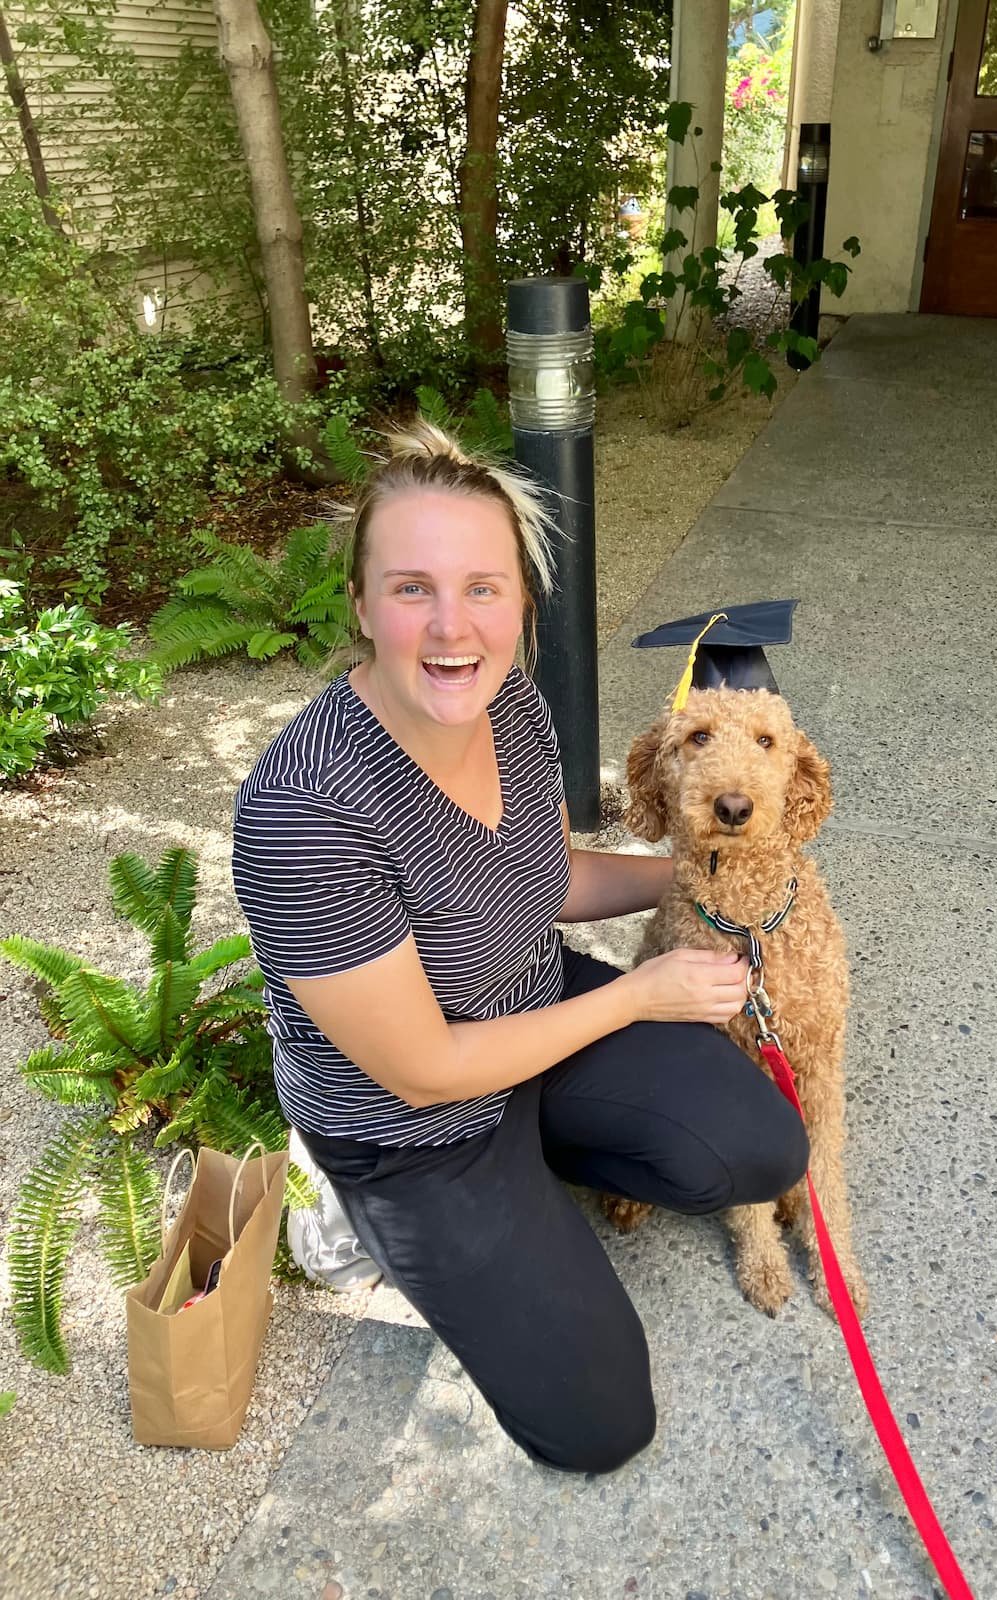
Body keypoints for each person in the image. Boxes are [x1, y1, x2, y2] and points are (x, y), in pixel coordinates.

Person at [231, 422, 809, 1474]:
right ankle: (361, 1203)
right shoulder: (304, 810)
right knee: (598, 1426)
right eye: (412, 588)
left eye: (483, 587)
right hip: (412, 1126)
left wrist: (716, 874)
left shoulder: (513, 708)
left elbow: (552, 878)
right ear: (361, 605)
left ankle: (535, 1171)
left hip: (533, 1011)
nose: (453, 626)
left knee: (764, 1147)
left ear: (521, 603)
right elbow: (424, 1067)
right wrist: (644, 996)